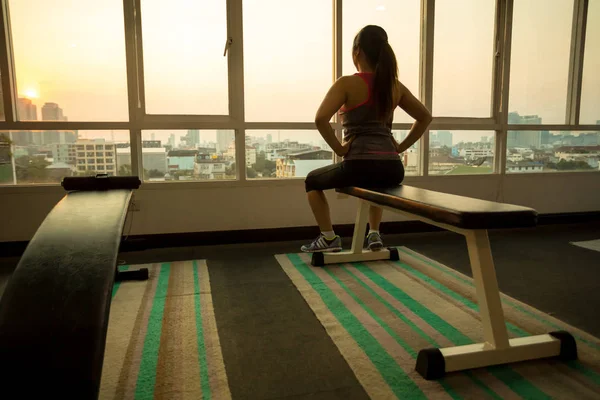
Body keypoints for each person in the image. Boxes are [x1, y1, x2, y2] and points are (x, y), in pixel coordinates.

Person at [301, 25, 432, 253]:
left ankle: (329, 238)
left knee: (312, 181)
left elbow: (321, 119)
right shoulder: (394, 86)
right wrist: (399, 147)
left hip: (359, 165)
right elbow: (425, 117)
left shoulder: (347, 83)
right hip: (392, 169)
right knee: (376, 183)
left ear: (357, 51)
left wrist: (340, 150)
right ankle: (373, 233)